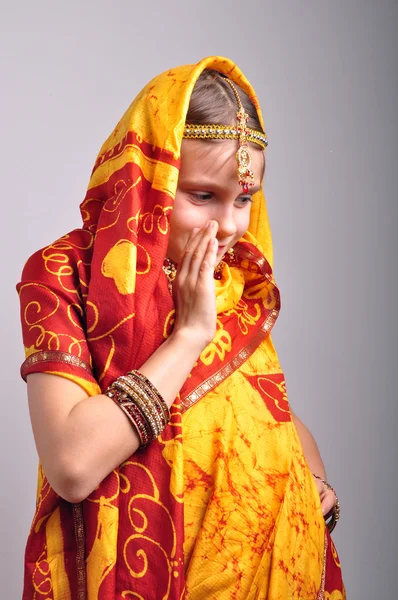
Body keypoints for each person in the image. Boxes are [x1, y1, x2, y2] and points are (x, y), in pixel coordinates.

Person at [17, 57, 345, 599]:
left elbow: (265, 407)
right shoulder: (64, 273)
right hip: (143, 572)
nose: (230, 226)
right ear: (149, 178)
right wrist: (189, 333)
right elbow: (72, 465)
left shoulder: (232, 280)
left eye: (244, 199)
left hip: (266, 572)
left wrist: (314, 487)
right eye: (202, 195)